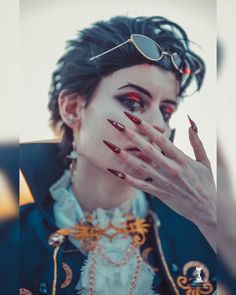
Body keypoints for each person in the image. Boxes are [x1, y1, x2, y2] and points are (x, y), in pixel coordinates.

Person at [20, 15, 216, 295]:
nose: (159, 125)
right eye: (133, 101)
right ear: (73, 109)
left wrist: (212, 216)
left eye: (167, 110)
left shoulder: (203, 232)